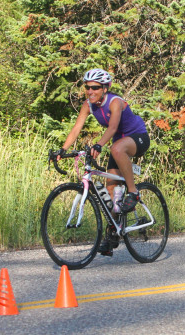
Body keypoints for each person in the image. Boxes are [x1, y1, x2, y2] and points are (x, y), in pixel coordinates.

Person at [56, 68, 150, 255]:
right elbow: (76, 128)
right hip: (119, 143)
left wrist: (98, 145)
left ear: (105, 88)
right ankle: (113, 235)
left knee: (116, 148)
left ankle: (133, 192)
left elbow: (113, 127)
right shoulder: (88, 105)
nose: (90, 91)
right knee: (111, 192)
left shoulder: (115, 102)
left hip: (137, 137)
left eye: (95, 88)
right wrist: (63, 149)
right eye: (87, 87)